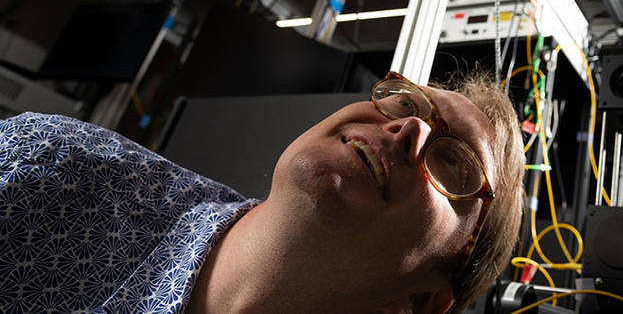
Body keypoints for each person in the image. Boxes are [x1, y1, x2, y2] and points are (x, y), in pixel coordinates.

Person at [0, 71, 524, 313]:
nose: (410, 130)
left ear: (417, 302)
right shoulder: (53, 168)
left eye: (455, 162)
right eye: (406, 104)